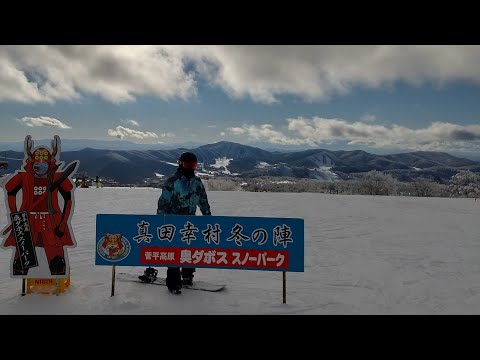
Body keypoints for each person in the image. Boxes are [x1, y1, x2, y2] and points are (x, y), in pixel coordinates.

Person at [1, 135, 76, 276]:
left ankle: (57, 283)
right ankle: (25, 284)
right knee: (22, 257)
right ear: (32, 162)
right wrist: (16, 216)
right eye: (37, 163)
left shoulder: (56, 177)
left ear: (49, 163)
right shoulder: (24, 177)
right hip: (27, 219)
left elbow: (68, 199)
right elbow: (10, 192)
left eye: (44, 163)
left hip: (52, 221)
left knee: (56, 258)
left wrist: (62, 224)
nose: (40, 166)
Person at [139, 151, 211, 294]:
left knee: (189, 250)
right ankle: (173, 283)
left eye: (193, 165)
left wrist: (208, 216)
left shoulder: (197, 183)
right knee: (173, 252)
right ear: (180, 164)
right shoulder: (172, 182)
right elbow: (163, 204)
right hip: (172, 223)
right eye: (187, 164)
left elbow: (203, 201)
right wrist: (161, 222)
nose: (190, 167)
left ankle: (187, 275)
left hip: (190, 223)